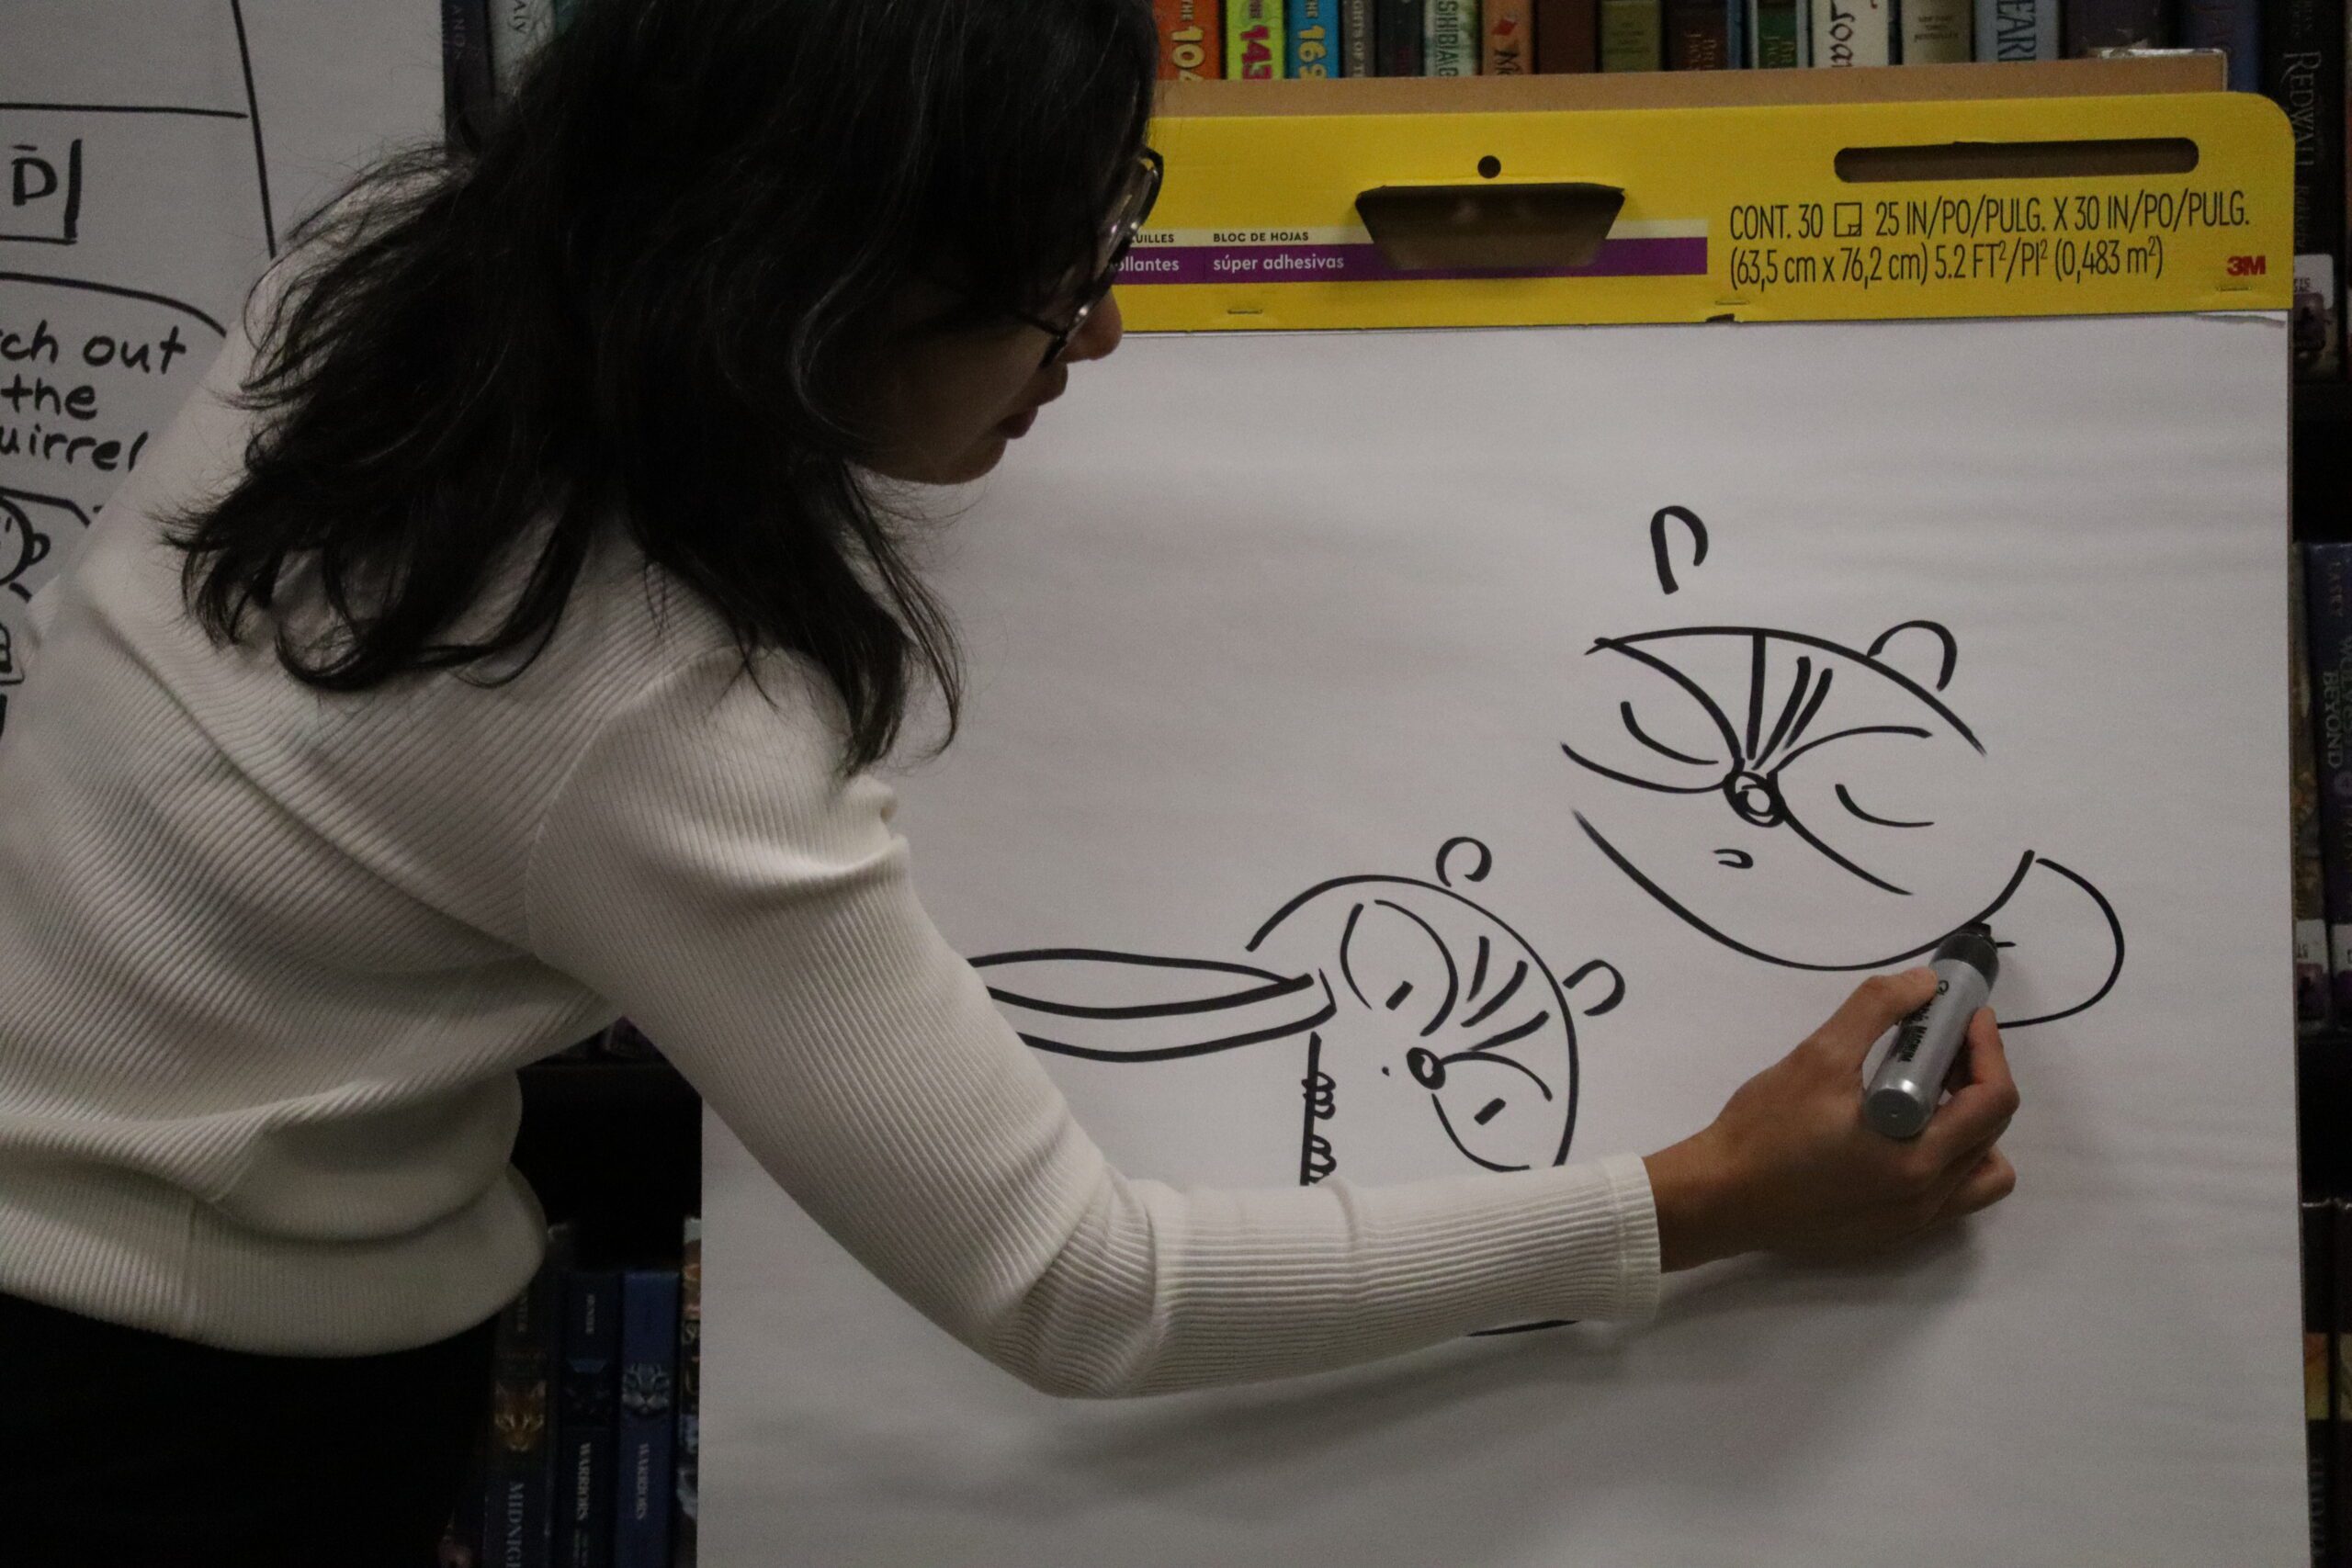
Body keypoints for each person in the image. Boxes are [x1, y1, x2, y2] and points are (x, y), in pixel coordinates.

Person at [0, 0, 2018, 1562]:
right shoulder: (639, 702)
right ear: (814, 286)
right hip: (155, 1405)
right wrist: (1706, 1194)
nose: (1106, 331)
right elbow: (1078, 1287)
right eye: (1053, 284)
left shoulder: (395, 280)